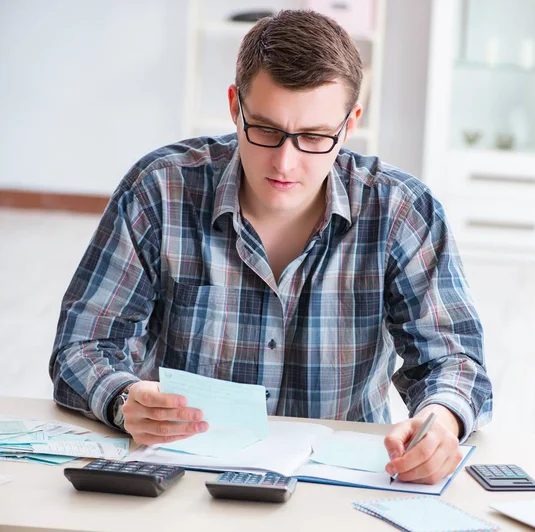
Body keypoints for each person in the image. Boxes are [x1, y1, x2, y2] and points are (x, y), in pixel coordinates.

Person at [50, 9, 492, 485]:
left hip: (337, 484)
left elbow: (454, 360)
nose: (285, 161)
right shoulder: (159, 191)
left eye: (315, 137)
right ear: (234, 107)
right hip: (186, 476)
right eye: (265, 129)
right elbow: (83, 345)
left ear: (349, 126)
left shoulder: (402, 211)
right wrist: (122, 399)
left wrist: (441, 422)